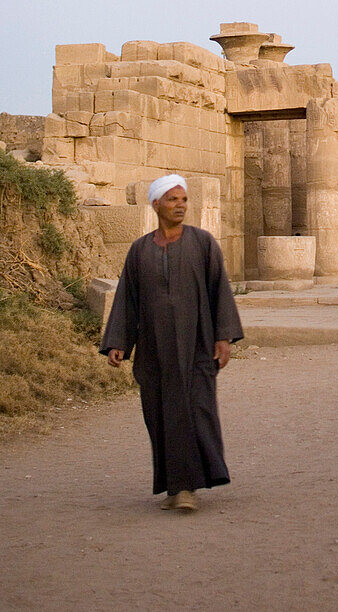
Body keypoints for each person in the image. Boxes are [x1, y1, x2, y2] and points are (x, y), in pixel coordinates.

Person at [100, 174, 244, 512]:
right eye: (172, 200)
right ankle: (174, 486)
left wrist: (223, 337)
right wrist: (120, 340)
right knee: (161, 414)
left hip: (196, 346)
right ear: (156, 205)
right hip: (154, 351)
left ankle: (186, 488)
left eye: (183, 199)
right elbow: (127, 299)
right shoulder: (139, 250)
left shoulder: (203, 243)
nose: (180, 206)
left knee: (196, 411)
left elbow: (219, 290)